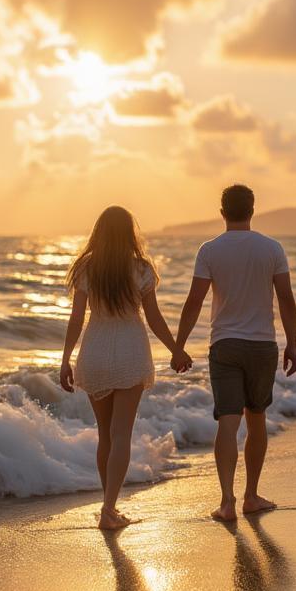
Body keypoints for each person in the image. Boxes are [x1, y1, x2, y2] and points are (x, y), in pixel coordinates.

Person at [173, 185, 296, 522]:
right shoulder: (271, 248)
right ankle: (251, 496)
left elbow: (195, 301)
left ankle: (227, 502)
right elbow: (286, 298)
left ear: (222, 212)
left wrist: (178, 345)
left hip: (225, 344)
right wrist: (293, 343)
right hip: (262, 345)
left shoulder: (209, 250)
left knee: (228, 423)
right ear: (252, 210)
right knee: (256, 418)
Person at [60, 206, 190, 530]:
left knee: (106, 435)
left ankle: (109, 507)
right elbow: (154, 318)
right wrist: (176, 349)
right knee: (121, 435)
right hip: (131, 350)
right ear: (130, 233)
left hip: (95, 350)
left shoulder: (86, 268)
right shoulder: (141, 269)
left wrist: (64, 359)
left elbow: (76, 318)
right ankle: (108, 509)